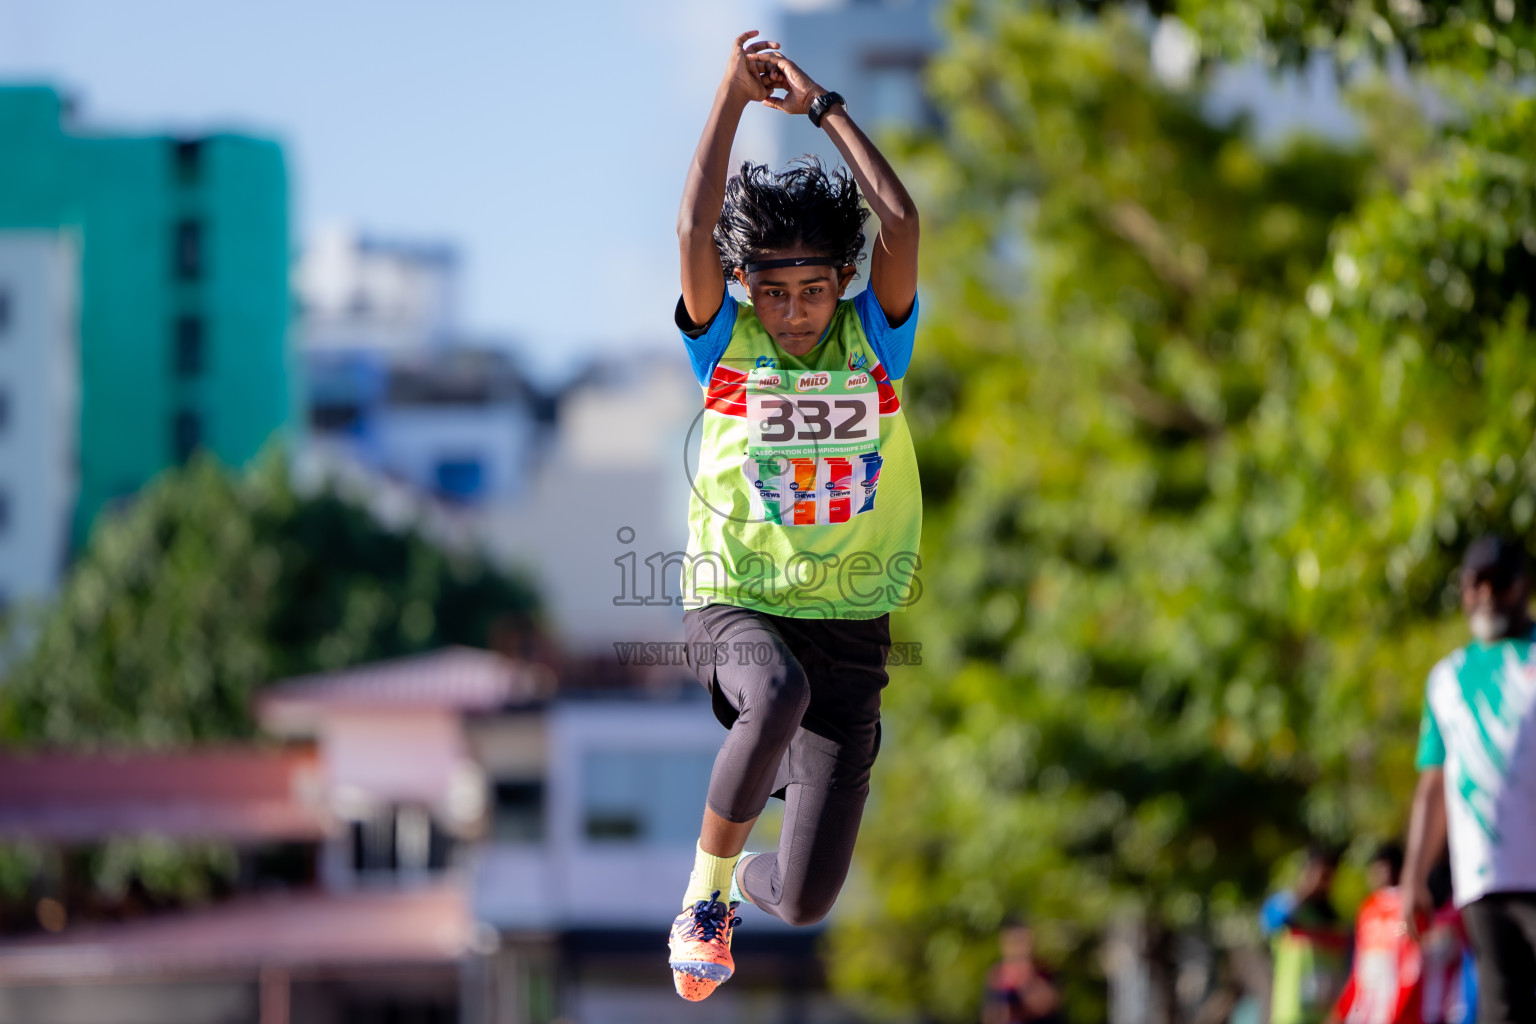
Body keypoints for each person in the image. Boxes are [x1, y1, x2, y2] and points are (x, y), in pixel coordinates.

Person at [666, 30, 923, 1002]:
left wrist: (824, 108)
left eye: (814, 290)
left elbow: (899, 219)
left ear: (840, 285)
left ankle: (748, 879)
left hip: (851, 631)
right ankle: (705, 895)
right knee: (772, 694)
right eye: (775, 293)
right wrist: (732, 98)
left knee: (811, 897)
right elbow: (692, 232)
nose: (798, 311)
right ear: (746, 291)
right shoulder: (726, 347)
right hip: (737, 603)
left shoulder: (875, 341)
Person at [1402, 536, 1536, 1024]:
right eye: (1473, 584)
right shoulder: (1446, 678)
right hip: (1484, 879)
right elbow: (1432, 784)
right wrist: (1414, 875)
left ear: (1522, 587)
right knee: (1503, 1008)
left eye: (1497, 582)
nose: (1485, 594)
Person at [1327, 843, 1418, 1024]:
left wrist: (1395, 932)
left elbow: (1410, 929)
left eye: (1382, 867)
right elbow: (1359, 961)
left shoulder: (1407, 902)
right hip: (1367, 989)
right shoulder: (1367, 908)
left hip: (1395, 987)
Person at [1262, 844, 1350, 1024]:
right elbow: (1270, 922)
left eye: (1328, 876)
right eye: (1319, 875)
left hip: (1326, 1016)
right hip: (1291, 1014)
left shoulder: (1336, 919)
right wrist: (1303, 892)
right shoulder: (1286, 905)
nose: (1322, 883)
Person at [982, 918, 1063, 1024]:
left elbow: (1047, 1006)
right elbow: (990, 1015)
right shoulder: (997, 974)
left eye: (1021, 941)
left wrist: (1024, 979)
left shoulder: (1043, 970)